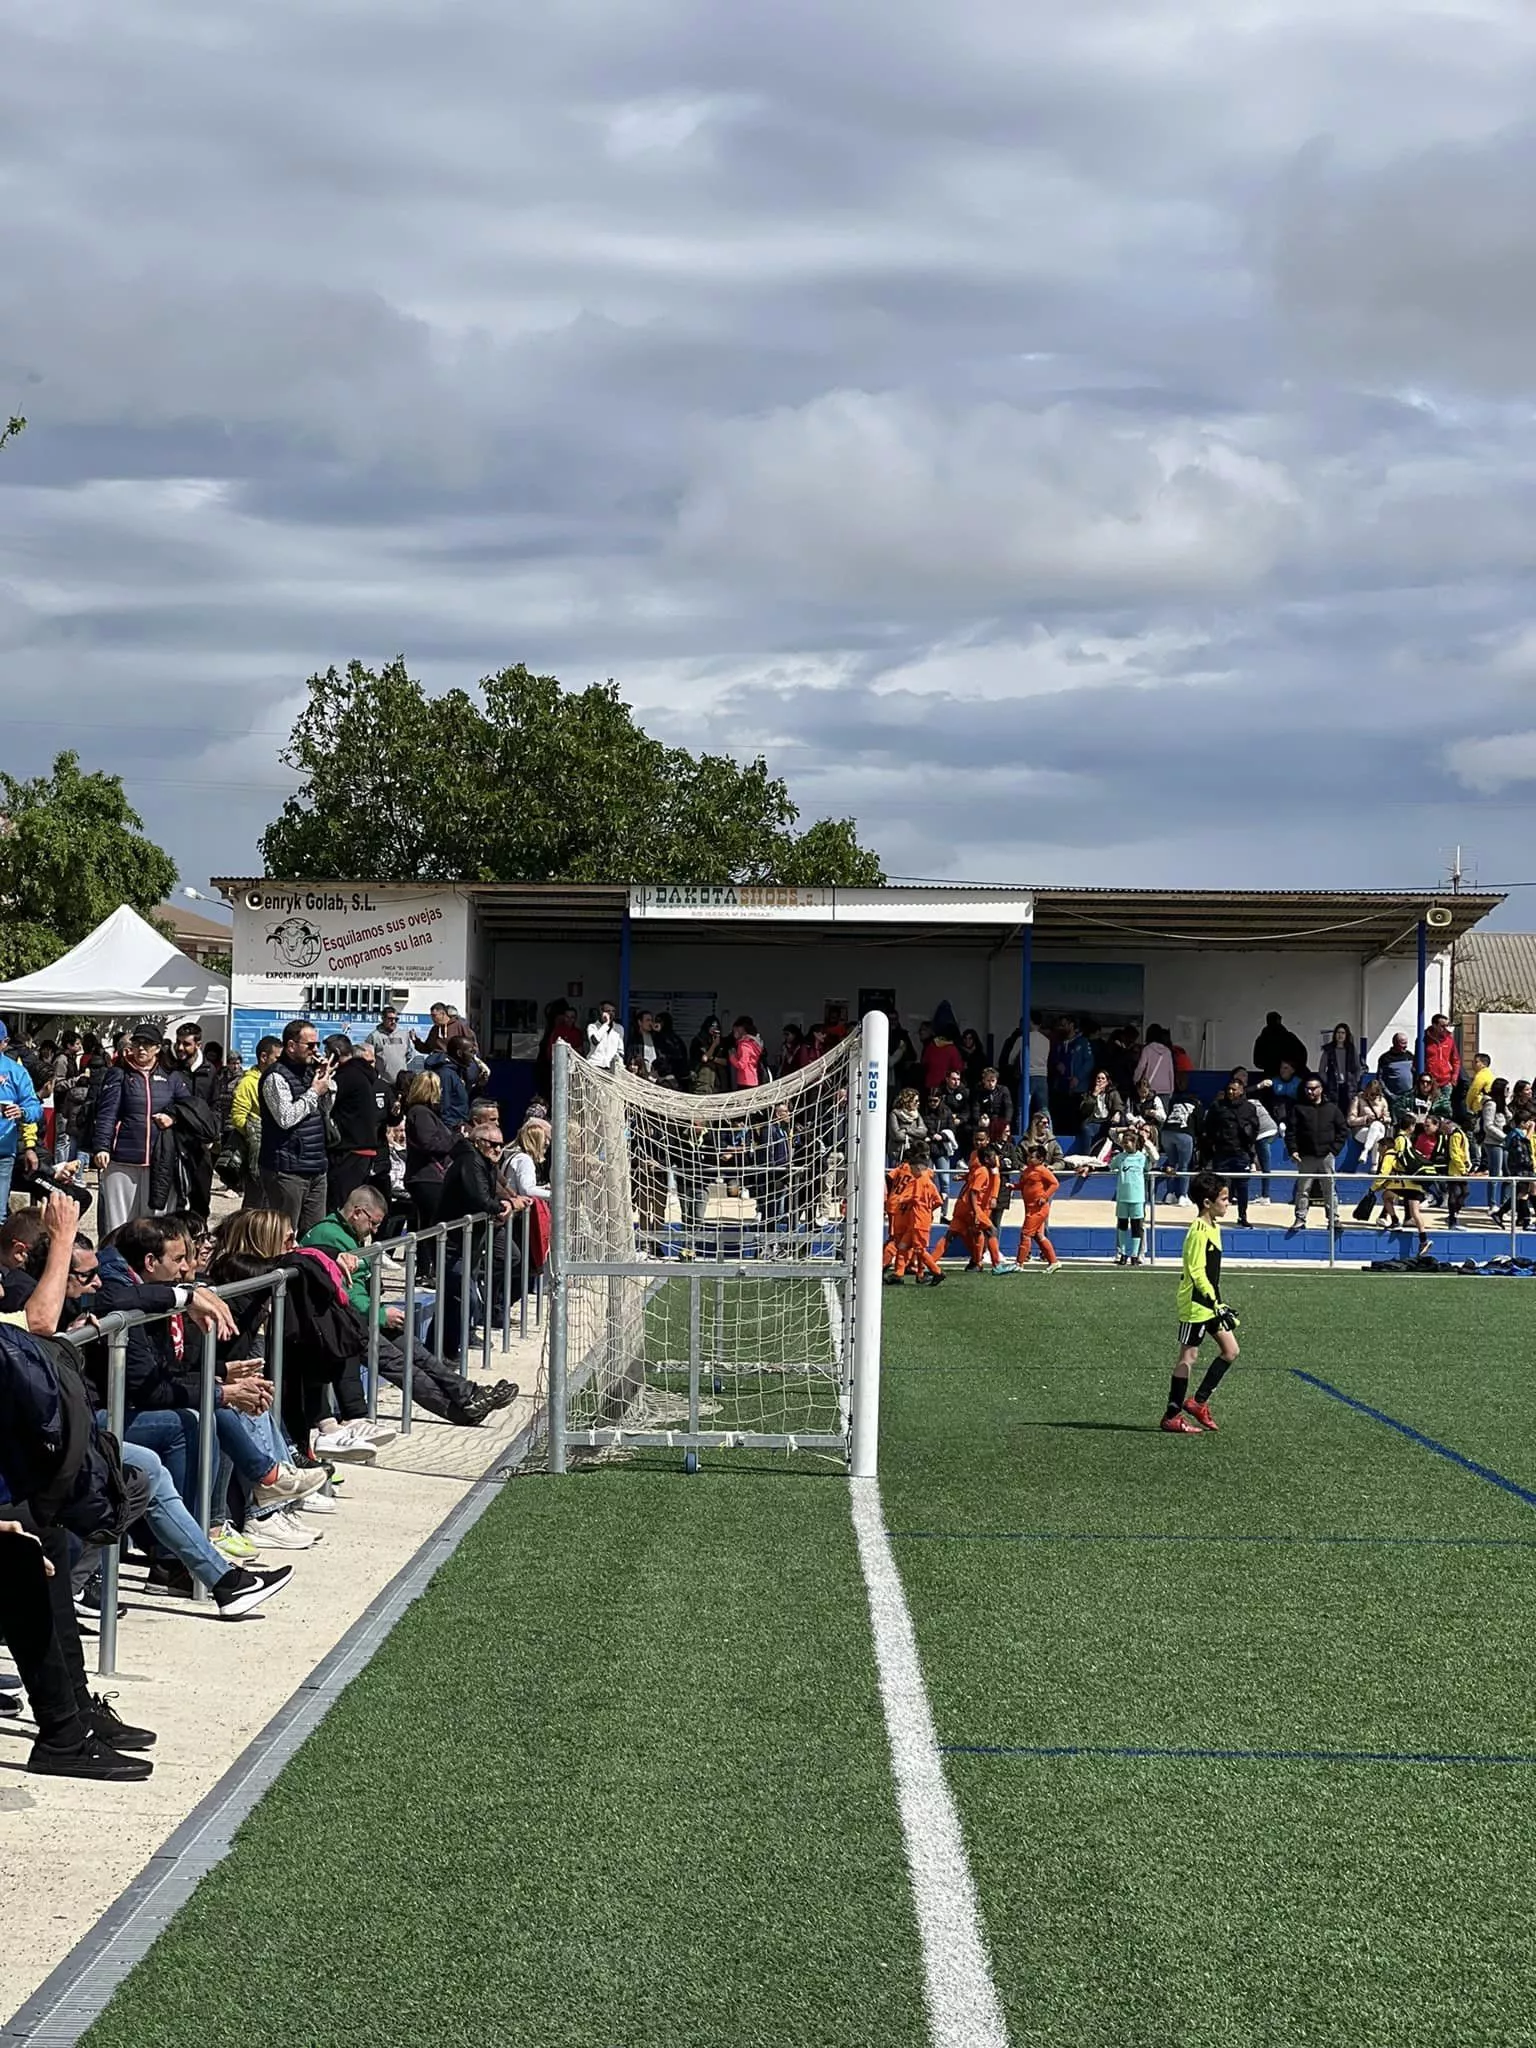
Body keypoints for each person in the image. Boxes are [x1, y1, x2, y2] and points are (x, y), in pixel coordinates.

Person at [301, 1187, 512, 1425]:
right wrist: (380, 1315)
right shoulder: (329, 1236)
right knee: (398, 1364)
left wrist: (378, 1313)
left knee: (416, 1350)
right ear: (357, 1213)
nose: (375, 1230)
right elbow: (347, 1295)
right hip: (344, 1324)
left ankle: (469, 1393)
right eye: (374, 1223)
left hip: (360, 1315)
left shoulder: (347, 1233)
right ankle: (458, 1412)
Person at [91, 1021, 189, 1235]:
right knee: (118, 1224)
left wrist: (172, 1117)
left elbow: (187, 1108)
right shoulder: (119, 1073)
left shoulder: (171, 1076)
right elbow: (107, 1113)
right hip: (122, 1159)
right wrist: (102, 1147)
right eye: (137, 1043)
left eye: (147, 1044)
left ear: (157, 1048)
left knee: (153, 1225)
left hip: (159, 1160)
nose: (141, 1049)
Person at [1163, 1173, 1241, 1435]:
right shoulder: (1197, 1231)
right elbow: (1196, 1272)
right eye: (1224, 1199)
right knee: (1189, 1356)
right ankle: (1172, 1416)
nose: (1228, 1203)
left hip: (1210, 1303)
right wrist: (1215, 1302)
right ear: (1207, 1202)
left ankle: (1198, 1402)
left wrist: (1218, 1302)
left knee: (1231, 1351)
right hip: (1196, 1304)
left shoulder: (1214, 1227)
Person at [257, 1019, 335, 1234]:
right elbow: (285, 1117)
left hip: (316, 1165)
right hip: (286, 1168)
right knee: (283, 1233)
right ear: (291, 1046)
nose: (315, 1050)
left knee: (314, 1233)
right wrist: (313, 1093)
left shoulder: (310, 1072)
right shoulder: (275, 1076)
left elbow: (326, 1109)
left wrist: (325, 1081)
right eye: (309, 1045)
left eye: (316, 1045)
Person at [325, 1036, 398, 1209]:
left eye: (327, 1053)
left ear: (335, 1054)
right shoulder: (364, 1075)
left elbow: (326, 1103)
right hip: (365, 1148)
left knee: (342, 1204)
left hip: (348, 1148)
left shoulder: (346, 1076)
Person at [1287, 1076, 1349, 1231]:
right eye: (1308, 1088)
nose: (1310, 1091)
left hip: (1326, 1156)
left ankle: (1333, 1220)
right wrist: (1293, 1150)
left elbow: (1343, 1130)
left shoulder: (1332, 1109)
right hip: (1305, 1156)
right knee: (1303, 1190)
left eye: (1314, 1088)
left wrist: (1334, 1150)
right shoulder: (1298, 1108)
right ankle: (1300, 1219)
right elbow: (1291, 1132)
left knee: (1329, 1190)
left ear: (1321, 1089)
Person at [935, 1143, 1003, 1271]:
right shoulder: (983, 1171)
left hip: (962, 1205)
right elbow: (973, 1191)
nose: (996, 1159)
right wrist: (977, 1212)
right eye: (994, 1156)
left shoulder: (979, 1169)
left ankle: (930, 1262)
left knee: (950, 1235)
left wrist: (963, 1177)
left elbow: (973, 1180)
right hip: (972, 1207)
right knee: (990, 1231)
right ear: (987, 1159)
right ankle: (996, 1265)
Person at [1203, 1077, 1260, 1226]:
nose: (1230, 1092)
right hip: (1222, 1153)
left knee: (1242, 1187)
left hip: (1241, 1153)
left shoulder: (1249, 1108)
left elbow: (1255, 1128)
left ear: (1241, 1091)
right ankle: (1212, 1216)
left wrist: (1248, 1137)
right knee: (1218, 1187)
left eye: (1234, 1089)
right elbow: (1208, 1127)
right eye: (1229, 1089)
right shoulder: (1218, 1106)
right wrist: (1213, 1142)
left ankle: (1243, 1216)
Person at [402, 1070, 455, 1228]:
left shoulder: (425, 1113)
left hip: (429, 1176)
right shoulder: (421, 1113)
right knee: (431, 1227)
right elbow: (428, 1143)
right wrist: (455, 1140)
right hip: (427, 1177)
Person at [1372, 1119, 1433, 1253]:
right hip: (1414, 1183)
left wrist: (1376, 1186)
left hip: (1405, 1182)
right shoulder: (1406, 1139)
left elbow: (1397, 1159)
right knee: (1415, 1213)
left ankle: (1393, 1220)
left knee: (1386, 1196)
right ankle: (1424, 1240)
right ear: (1410, 1126)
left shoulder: (1400, 1139)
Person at [0, 1018, 41, 1217]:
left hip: (3, 1152)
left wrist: (21, 1112)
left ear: (4, 1043)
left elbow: (34, 1107)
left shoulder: (16, 1072)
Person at [1011, 1145, 1060, 1271]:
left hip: (1038, 1209)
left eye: (1032, 1157)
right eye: (1028, 1156)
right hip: (1030, 1207)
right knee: (1039, 1236)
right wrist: (1014, 1186)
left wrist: (1045, 1196)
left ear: (1041, 1159)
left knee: (1026, 1234)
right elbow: (1023, 1185)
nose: (1029, 1159)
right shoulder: (1028, 1170)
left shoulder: (1042, 1170)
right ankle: (1054, 1262)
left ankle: (1019, 1263)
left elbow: (1055, 1184)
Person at [1157, 1082, 1204, 1206]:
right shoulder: (1197, 1104)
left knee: (1171, 1164)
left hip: (1166, 1133)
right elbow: (1199, 1124)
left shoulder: (1175, 1102)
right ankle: (1183, 1195)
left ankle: (1170, 1194)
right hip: (1184, 1133)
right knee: (1184, 1166)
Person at [1111, 1124, 1152, 1266]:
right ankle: (1122, 1253)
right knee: (1122, 1226)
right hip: (1122, 1197)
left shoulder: (1142, 1158)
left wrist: (1146, 1141)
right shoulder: (1120, 1157)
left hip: (1137, 1198)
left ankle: (1135, 1255)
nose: (1125, 1143)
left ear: (1135, 1143)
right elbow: (1111, 1166)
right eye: (1124, 1141)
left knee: (1136, 1227)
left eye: (1128, 1141)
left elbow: (1154, 1161)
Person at [1346, 1078, 1392, 1172]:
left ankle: (1365, 1151)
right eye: (1371, 1094)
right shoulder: (1358, 1099)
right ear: (1366, 1091)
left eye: (1376, 1095)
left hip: (1379, 1128)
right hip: (1362, 1131)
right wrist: (1365, 1119)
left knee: (1376, 1124)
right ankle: (1375, 1164)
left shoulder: (1382, 1101)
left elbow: (1389, 1118)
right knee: (1378, 1135)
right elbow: (1350, 1120)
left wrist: (1383, 1119)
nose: (1373, 1097)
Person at [1076, 1071, 1123, 1156]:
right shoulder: (1089, 1094)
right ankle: (1086, 1157)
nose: (1100, 1080)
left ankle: (1116, 1153)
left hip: (1108, 1122)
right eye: (1098, 1078)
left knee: (1118, 1126)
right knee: (1086, 1129)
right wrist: (1094, 1095)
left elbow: (1118, 1105)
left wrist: (1117, 1113)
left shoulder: (1113, 1093)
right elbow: (1084, 1110)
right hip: (1095, 1121)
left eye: (1103, 1078)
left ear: (1107, 1081)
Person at [1252, 1011, 1309, 1079]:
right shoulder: (1288, 1037)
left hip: (1272, 1074)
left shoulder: (1262, 1039)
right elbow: (1302, 1053)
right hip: (1289, 1075)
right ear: (1279, 1020)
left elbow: (1257, 1062)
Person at [365, 1006, 414, 1085]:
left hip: (402, 1081)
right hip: (383, 1081)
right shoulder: (374, 1036)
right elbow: (367, 1057)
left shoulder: (404, 1035)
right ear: (383, 1019)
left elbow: (409, 1055)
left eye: (396, 1019)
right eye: (390, 1019)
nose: (393, 1022)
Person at [1482, 1079, 1509, 1219]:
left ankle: (1505, 1204)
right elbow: (1488, 1125)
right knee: (1495, 1173)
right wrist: (1504, 1137)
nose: (1508, 1092)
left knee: (1508, 1173)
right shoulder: (1490, 1104)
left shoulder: (1501, 1104)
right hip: (1493, 1142)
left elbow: (1509, 1118)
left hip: (1504, 1144)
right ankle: (1492, 1204)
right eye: (1506, 1089)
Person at [1320, 1024, 1361, 1114]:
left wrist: (1355, 1080)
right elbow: (1322, 1069)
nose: (1340, 1035)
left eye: (1343, 1033)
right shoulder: (1328, 1050)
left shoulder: (1351, 1049)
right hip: (1333, 1087)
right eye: (1338, 1032)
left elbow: (1358, 1068)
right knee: (1334, 1112)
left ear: (1346, 1035)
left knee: (1348, 1112)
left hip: (1348, 1087)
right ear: (1335, 1034)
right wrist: (1327, 1082)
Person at [1134, 1025, 1176, 1103]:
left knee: (1148, 1113)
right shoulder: (1167, 1052)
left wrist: (1136, 1080)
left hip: (1149, 1088)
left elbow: (1141, 1067)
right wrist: (1171, 1089)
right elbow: (1171, 1072)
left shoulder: (1147, 1049)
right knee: (1162, 1114)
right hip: (1165, 1090)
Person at [1376, 1032, 1417, 1109]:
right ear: (1395, 1043)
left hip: (1408, 1095)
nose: (1405, 1046)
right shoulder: (1385, 1058)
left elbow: (1415, 1073)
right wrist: (1389, 1094)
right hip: (1393, 1096)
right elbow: (1380, 1078)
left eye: (1406, 1043)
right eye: (1403, 1043)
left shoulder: (1409, 1056)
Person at [1424, 1013, 1461, 1098]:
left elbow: (1456, 1060)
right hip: (1430, 1081)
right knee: (1430, 1107)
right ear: (1434, 1025)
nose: (1445, 1029)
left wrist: (1454, 1077)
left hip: (1446, 1081)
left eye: (1446, 1026)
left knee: (1444, 1107)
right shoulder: (1424, 1039)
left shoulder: (1449, 1040)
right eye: (1442, 1026)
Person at [586, 1001, 625, 1072]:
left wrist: (620, 1066)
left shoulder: (619, 1028)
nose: (611, 1013)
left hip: (611, 1067)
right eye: (608, 1011)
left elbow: (620, 1050)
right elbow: (595, 1041)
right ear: (601, 1012)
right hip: (595, 1065)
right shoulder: (592, 1027)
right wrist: (606, 1024)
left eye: (613, 1011)